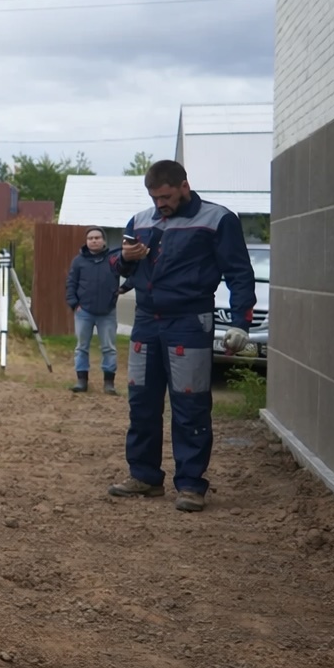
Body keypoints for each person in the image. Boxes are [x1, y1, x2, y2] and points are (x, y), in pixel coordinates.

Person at [108, 160, 255, 514]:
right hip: (146, 320)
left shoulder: (218, 220)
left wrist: (240, 322)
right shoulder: (140, 221)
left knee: (190, 406)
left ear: (184, 187)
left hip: (190, 321)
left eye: (166, 196)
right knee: (141, 402)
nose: (161, 203)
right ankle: (144, 476)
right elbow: (118, 267)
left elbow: (239, 273)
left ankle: (190, 484)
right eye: (154, 197)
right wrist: (125, 258)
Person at [64, 227, 120, 394]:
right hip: (84, 312)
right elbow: (71, 283)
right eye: (90, 238)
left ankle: (109, 383)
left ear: (103, 240)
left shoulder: (113, 259)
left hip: (107, 312)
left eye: (97, 238)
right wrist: (74, 304)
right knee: (81, 347)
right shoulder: (78, 261)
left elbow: (130, 273)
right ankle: (82, 381)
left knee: (109, 348)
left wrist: (122, 290)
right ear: (86, 241)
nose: (94, 241)